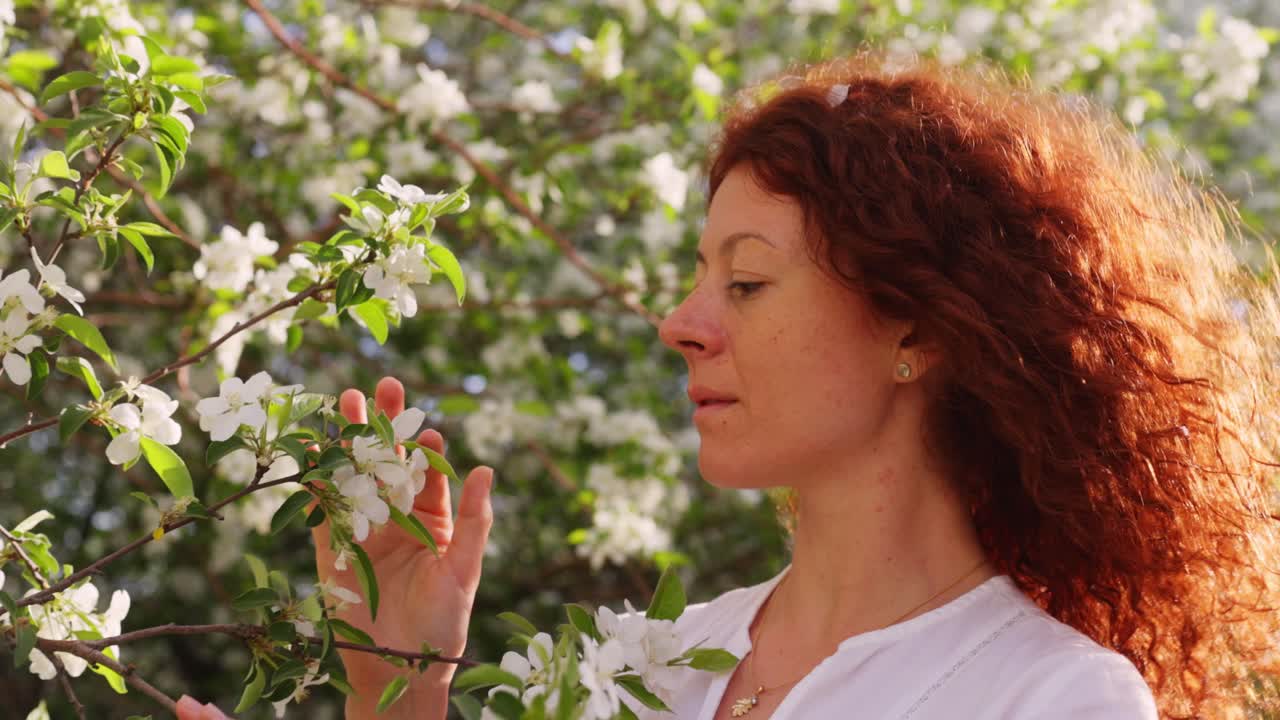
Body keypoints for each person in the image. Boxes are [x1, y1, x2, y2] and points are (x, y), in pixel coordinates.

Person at [178, 51, 1280, 720]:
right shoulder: (645, 666)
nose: (680, 324)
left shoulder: (1049, 700)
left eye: (746, 282)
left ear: (915, 325)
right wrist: (398, 687)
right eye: (698, 277)